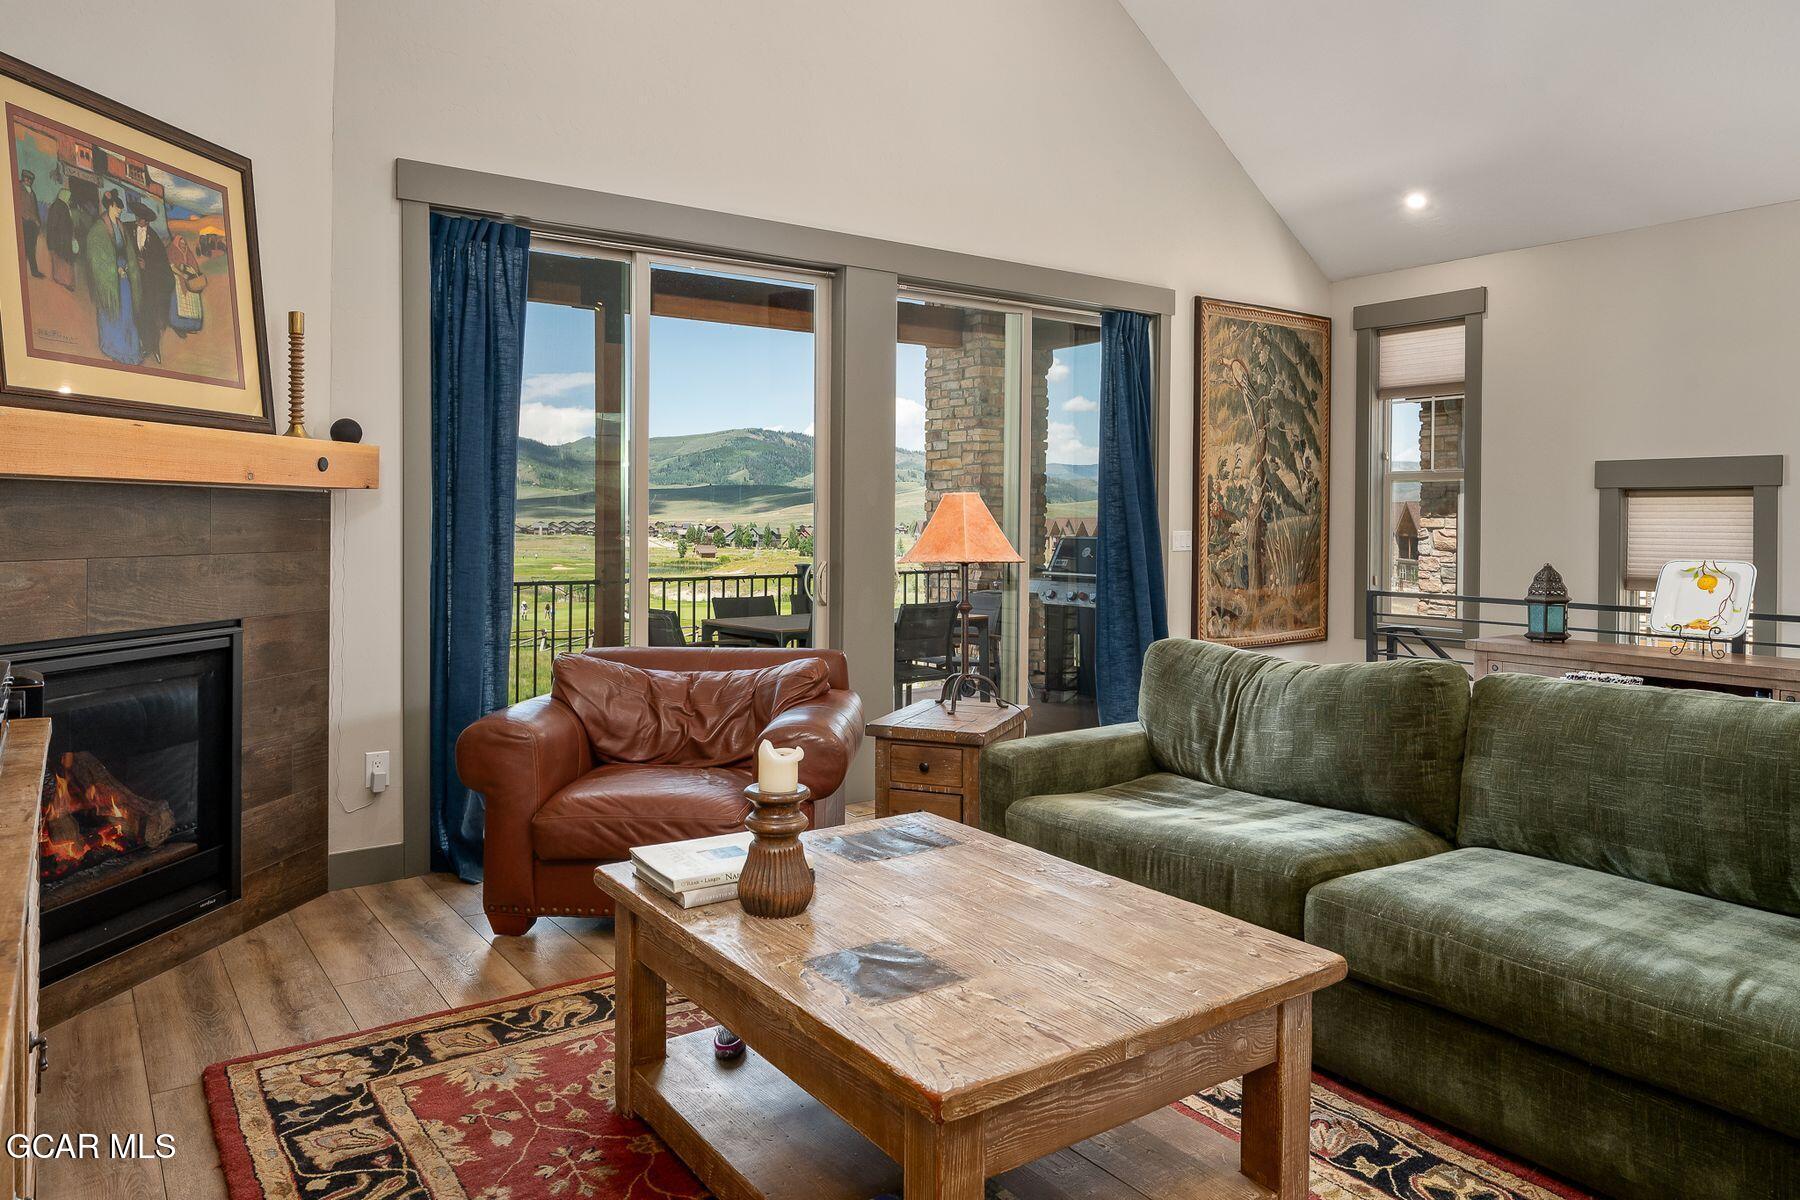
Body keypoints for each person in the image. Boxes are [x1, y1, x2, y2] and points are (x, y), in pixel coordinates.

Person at [80, 190, 140, 365]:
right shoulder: (98, 228)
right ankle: (113, 347)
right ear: (109, 206)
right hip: (110, 277)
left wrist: (128, 265)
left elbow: (128, 250)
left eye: (121, 207)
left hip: (124, 275)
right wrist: (115, 269)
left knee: (126, 310)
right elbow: (96, 256)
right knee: (112, 309)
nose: (120, 210)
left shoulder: (121, 226)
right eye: (117, 207)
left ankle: (130, 348)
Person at [130, 200, 172, 363]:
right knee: (134, 312)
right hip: (132, 279)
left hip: (149, 283)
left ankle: (152, 346)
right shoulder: (128, 229)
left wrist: (147, 265)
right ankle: (139, 343)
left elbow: (162, 262)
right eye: (140, 218)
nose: (141, 222)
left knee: (148, 313)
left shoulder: (153, 238)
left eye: (144, 220)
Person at [167, 233, 204, 336]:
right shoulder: (172, 250)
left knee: (193, 305)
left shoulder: (188, 252)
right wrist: (182, 274)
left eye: (184, 244)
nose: (183, 245)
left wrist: (191, 273)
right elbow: (172, 266)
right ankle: (180, 327)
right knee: (180, 306)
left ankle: (193, 326)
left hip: (190, 282)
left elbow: (193, 265)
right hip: (178, 282)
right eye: (181, 243)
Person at [43, 185, 76, 290]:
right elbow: (56, 225)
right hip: (61, 240)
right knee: (64, 261)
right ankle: (66, 282)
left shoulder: (58, 205)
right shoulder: (61, 206)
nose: (70, 199)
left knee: (60, 260)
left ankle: (62, 280)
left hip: (60, 240)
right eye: (69, 197)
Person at [16, 170, 44, 278]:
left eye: (30, 179)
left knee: (31, 247)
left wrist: (38, 223)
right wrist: (33, 219)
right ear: (23, 178)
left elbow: (35, 209)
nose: (27, 180)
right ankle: (23, 272)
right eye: (26, 178)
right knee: (24, 247)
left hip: (32, 224)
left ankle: (33, 271)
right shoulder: (19, 189)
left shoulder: (32, 192)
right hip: (24, 222)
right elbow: (22, 208)